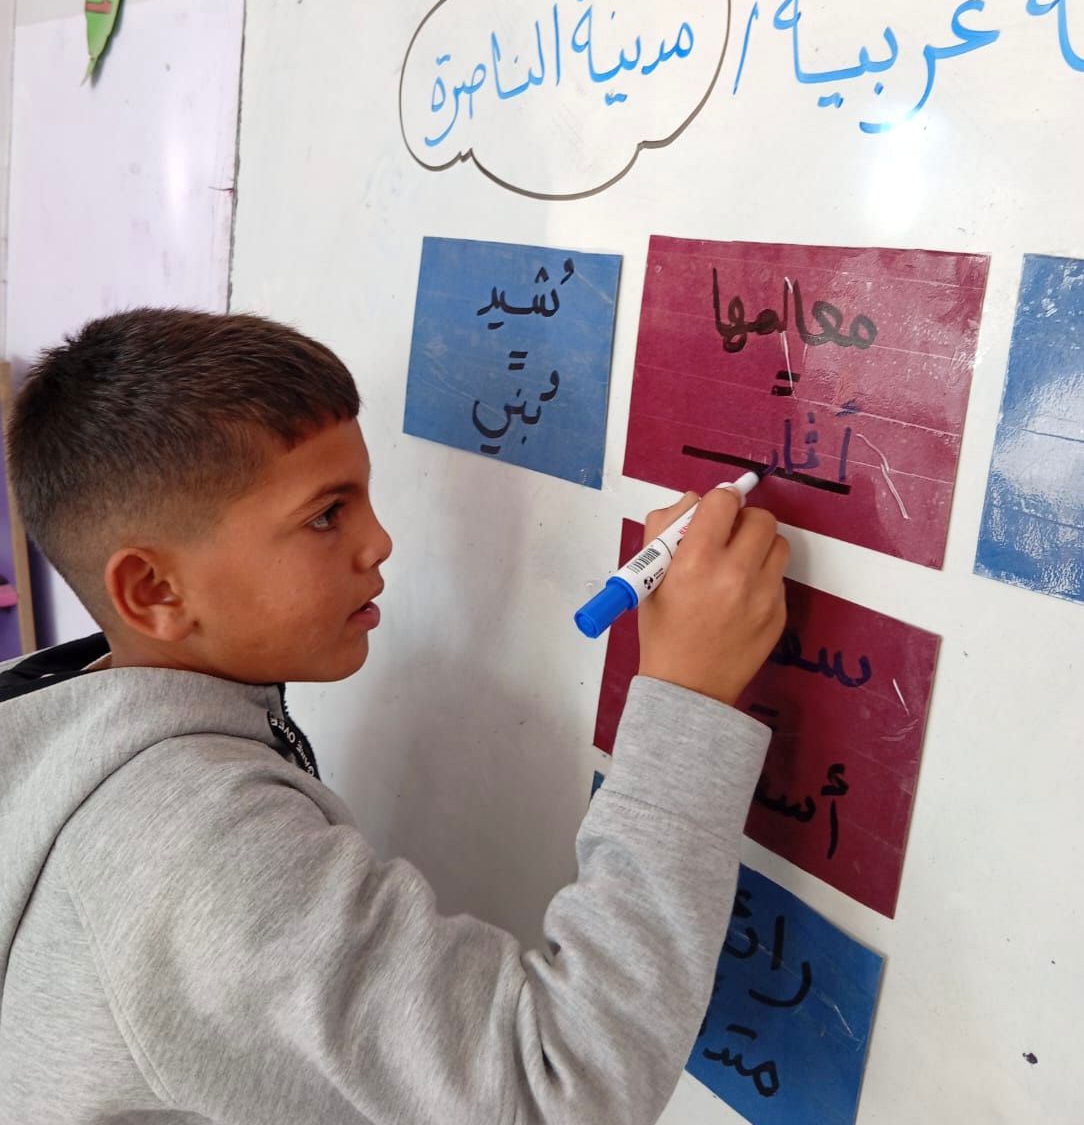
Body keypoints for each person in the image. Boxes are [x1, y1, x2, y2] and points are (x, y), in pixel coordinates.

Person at [0, 307, 788, 1125]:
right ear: (155, 592)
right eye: (325, 515)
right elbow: (557, 1088)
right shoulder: (198, 847)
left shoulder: (53, 711)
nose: (378, 541)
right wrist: (688, 699)